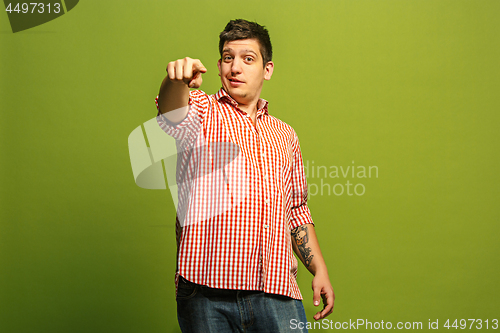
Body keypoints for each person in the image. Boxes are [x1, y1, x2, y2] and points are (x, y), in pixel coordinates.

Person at [155, 19, 334, 332]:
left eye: (247, 58)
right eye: (228, 57)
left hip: (276, 291)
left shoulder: (285, 135)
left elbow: (296, 210)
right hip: (206, 291)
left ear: (267, 69)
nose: (234, 67)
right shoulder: (200, 110)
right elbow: (170, 115)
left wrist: (319, 269)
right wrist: (176, 80)